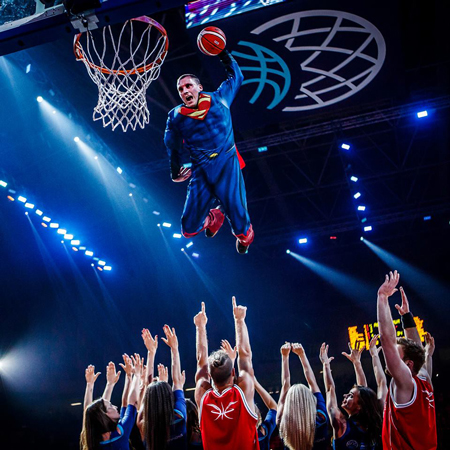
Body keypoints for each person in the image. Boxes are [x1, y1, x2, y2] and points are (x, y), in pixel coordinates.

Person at [164, 49, 254, 254]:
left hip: (227, 164)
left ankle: (244, 236)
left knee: (241, 226)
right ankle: (215, 217)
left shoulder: (220, 98)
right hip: (200, 170)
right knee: (188, 229)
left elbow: (237, 76)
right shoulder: (175, 116)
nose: (185, 91)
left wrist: (222, 52)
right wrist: (174, 168)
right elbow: (172, 143)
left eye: (188, 86)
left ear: (199, 87)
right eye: (181, 89)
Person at [377, 272, 437, 449]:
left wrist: (382, 298)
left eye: (397, 354)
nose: (390, 356)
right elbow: (417, 347)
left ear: (408, 364)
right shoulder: (424, 378)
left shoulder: (406, 383)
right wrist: (407, 317)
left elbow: (387, 340)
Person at [194, 298, 259, 449]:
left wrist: (200, 328)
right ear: (233, 372)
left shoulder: (202, 395)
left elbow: (200, 362)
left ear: (210, 377)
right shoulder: (243, 390)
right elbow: (245, 356)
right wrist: (239, 320)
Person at [320, 343, 382, 450]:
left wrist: (325, 364)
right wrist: (357, 363)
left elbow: (330, 389)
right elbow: (363, 391)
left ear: (359, 406)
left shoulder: (341, 424)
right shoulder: (372, 426)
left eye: (351, 396)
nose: (345, 395)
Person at [138, 325, 187, 450]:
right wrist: (174, 349)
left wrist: (151, 353)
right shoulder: (179, 416)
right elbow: (177, 381)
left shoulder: (144, 425)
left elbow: (146, 387)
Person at [81, 354, 143, 450]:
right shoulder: (119, 435)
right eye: (111, 406)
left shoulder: (92, 442)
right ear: (105, 416)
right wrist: (137, 374)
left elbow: (89, 414)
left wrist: (106, 384)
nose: (115, 407)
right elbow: (131, 402)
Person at [278, 342, 329, 450]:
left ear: (288, 403)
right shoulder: (321, 418)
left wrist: (284, 357)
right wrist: (302, 355)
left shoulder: (283, 422)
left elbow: (285, 384)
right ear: (310, 399)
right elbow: (312, 382)